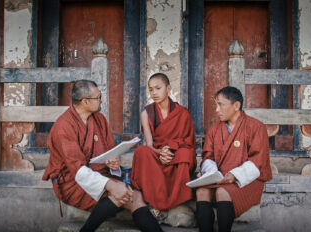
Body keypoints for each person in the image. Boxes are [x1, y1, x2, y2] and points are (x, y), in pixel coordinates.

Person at [42, 80, 162, 232]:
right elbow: (77, 170)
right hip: (72, 182)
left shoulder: (99, 119)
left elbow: (110, 151)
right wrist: (111, 185)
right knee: (121, 194)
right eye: (98, 97)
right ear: (85, 101)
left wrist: (113, 163)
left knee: (136, 196)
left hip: (100, 173)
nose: (102, 100)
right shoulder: (64, 126)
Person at [195, 86, 272, 232]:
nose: (217, 110)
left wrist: (234, 176)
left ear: (236, 105)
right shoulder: (215, 129)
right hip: (220, 178)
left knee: (222, 192)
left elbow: (259, 160)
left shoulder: (255, 126)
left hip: (247, 179)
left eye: (221, 105)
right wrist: (211, 174)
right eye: (216, 105)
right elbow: (208, 156)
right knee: (201, 192)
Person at [131, 73, 197, 211]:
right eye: (150, 89)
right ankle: (156, 200)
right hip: (157, 154)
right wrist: (160, 152)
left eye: (158, 88)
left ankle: (174, 200)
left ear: (168, 88)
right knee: (141, 151)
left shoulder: (183, 113)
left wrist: (170, 149)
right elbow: (149, 145)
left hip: (175, 153)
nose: (154, 93)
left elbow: (188, 141)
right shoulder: (146, 113)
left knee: (186, 153)